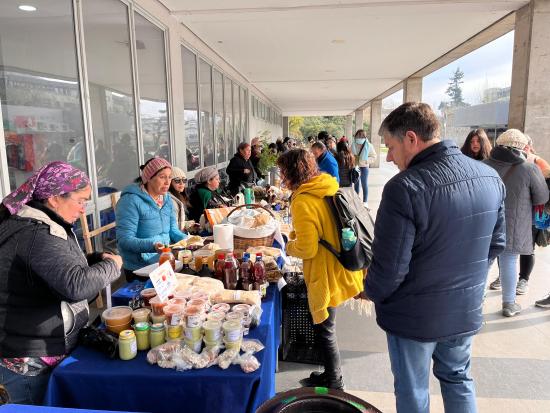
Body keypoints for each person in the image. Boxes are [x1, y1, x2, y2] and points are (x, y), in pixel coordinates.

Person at [364, 102, 507, 413]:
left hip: (414, 317)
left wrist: (369, 291)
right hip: (463, 309)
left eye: (390, 146)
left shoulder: (404, 187)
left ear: (411, 139)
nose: (388, 157)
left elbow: (390, 269)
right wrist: (465, 282)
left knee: (413, 389)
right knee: (458, 378)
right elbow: (496, 245)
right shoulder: (489, 176)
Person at [0, 161, 122, 405]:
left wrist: (94, 260)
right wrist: (112, 265)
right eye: (80, 200)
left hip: (37, 347)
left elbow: (50, 269)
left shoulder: (43, 223)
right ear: (55, 198)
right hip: (28, 359)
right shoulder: (36, 232)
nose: (83, 207)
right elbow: (75, 286)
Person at [278, 149, 363, 390]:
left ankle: (334, 382)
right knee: (327, 325)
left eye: (284, 171)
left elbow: (306, 248)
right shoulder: (326, 185)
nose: (282, 176)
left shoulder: (303, 199)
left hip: (323, 271)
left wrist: (287, 244)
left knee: (325, 328)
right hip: (338, 266)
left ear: (293, 172)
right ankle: (330, 373)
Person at [484, 129, 548, 316]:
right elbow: (541, 198)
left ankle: (476, 302)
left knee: (484, 263)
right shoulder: (529, 168)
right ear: (521, 148)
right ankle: (509, 304)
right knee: (510, 261)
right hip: (514, 224)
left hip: (485, 223)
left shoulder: (483, 164)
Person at [116, 157, 186, 280]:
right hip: (139, 268)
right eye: (162, 177)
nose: (167, 182)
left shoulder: (167, 199)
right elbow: (124, 240)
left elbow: (172, 230)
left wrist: (189, 240)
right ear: (148, 178)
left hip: (163, 261)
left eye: (169, 177)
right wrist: (153, 245)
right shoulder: (130, 201)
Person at [352, 129, 377, 206]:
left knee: (364, 183)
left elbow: (374, 157)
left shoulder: (369, 146)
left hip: (364, 167)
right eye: (357, 136)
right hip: (356, 166)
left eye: (360, 136)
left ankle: (365, 201)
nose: (358, 138)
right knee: (356, 183)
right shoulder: (353, 144)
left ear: (364, 137)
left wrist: (366, 161)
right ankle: (356, 198)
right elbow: (350, 154)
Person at [168, 166, 189, 231]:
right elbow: (174, 227)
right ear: (169, 182)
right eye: (177, 180)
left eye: (184, 180)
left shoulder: (180, 196)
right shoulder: (171, 200)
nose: (181, 183)